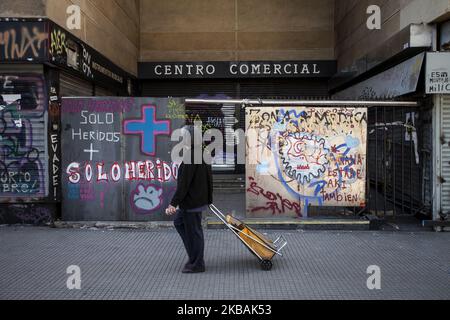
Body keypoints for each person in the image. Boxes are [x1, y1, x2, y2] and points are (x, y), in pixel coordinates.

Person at [166, 125, 213, 273]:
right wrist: (209, 199)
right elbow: (209, 178)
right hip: (197, 200)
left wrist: (173, 203)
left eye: (184, 136)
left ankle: (197, 263)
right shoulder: (201, 153)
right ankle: (194, 256)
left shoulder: (191, 156)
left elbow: (184, 184)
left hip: (192, 202)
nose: (182, 139)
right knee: (180, 223)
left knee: (194, 232)